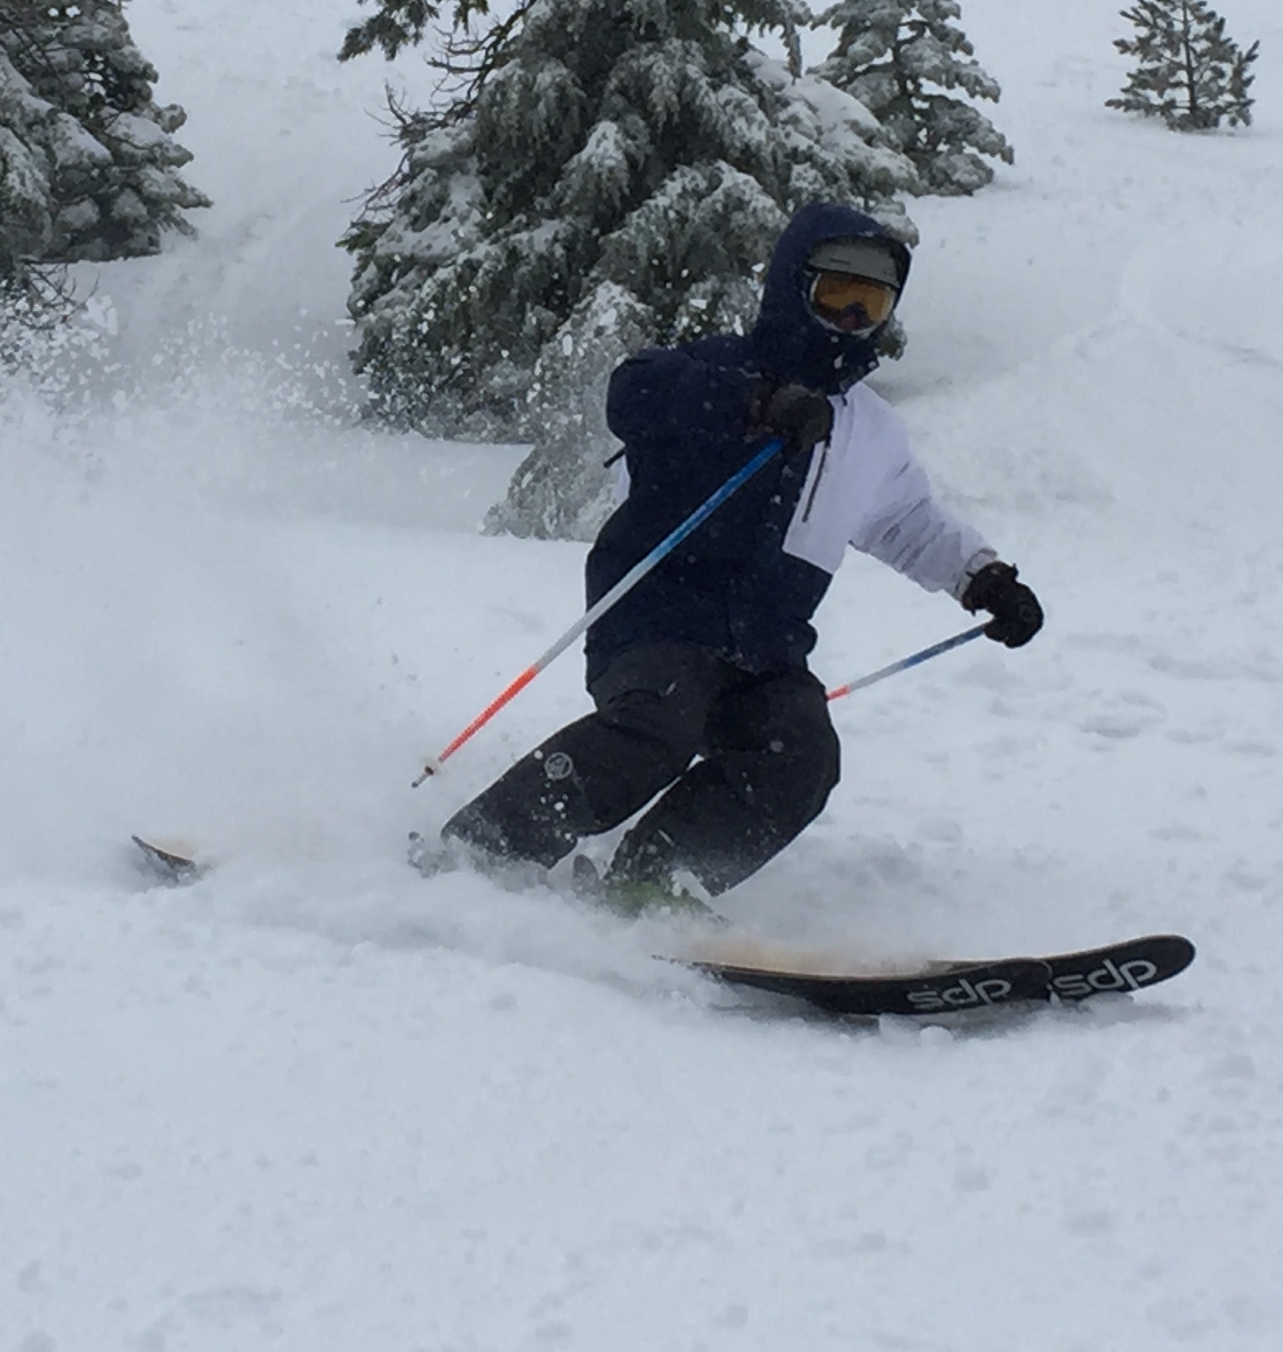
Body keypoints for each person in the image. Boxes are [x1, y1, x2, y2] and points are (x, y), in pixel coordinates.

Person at [437, 201, 1042, 905]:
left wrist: (985, 580)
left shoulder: (870, 431)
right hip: (657, 616)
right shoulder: (713, 368)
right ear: (794, 286)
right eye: (836, 296)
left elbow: (909, 521)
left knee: (801, 760)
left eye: (869, 304)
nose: (851, 320)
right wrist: (756, 404)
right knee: (656, 728)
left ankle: (654, 883)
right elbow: (633, 393)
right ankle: (481, 849)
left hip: (767, 648)